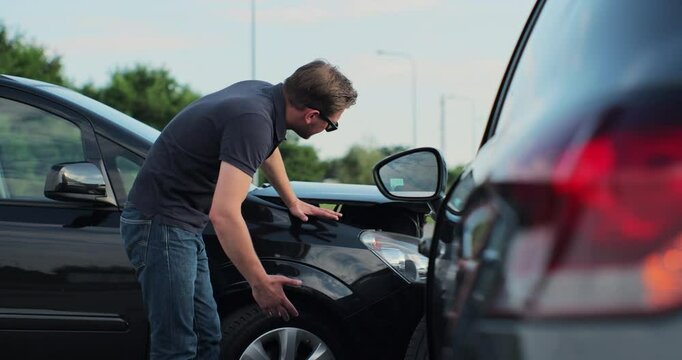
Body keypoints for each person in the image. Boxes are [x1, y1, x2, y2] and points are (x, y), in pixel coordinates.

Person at [120, 59, 358, 359]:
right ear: (312, 116)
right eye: (332, 125)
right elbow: (224, 214)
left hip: (181, 222)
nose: (329, 129)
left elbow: (267, 150)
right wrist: (260, 283)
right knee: (176, 346)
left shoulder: (264, 96)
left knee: (207, 336)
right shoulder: (253, 119)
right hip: (160, 224)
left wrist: (291, 200)